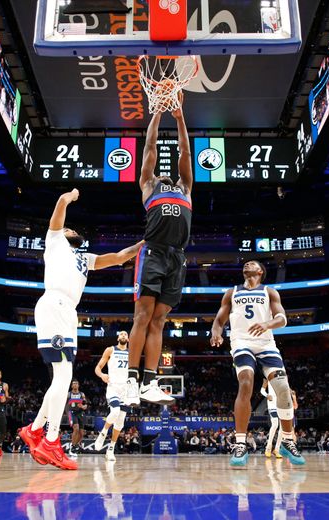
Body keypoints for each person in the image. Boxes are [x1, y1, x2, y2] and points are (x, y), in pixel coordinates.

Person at [17, 188, 143, 470]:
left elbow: (119, 257)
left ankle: (35, 430)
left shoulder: (84, 258)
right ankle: (50, 441)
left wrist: (145, 242)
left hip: (66, 310)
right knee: (64, 375)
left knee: (61, 377)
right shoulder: (54, 241)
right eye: (69, 228)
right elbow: (60, 204)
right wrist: (70, 196)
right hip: (56, 302)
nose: (72, 229)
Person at [126, 93, 193, 407]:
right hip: (152, 253)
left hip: (176, 258)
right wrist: (157, 113)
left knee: (159, 321)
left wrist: (179, 118)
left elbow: (186, 152)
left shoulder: (185, 187)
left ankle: (149, 381)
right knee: (142, 316)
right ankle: (130, 380)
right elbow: (150, 147)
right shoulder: (148, 185)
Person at [210, 260, 305, 467]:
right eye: (245, 263)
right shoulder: (231, 292)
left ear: (260, 271)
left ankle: (288, 441)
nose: (247, 264)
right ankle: (241, 443)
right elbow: (218, 321)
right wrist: (216, 334)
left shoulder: (269, 292)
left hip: (266, 344)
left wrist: (266, 323)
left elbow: (282, 319)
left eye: (252, 263)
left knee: (283, 387)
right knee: (246, 383)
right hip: (241, 342)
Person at [94, 331, 131, 461]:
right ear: (117, 338)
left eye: (125, 335)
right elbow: (98, 368)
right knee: (115, 412)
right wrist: (102, 375)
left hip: (126, 390)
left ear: (128, 339)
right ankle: (103, 433)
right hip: (113, 386)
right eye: (121, 334)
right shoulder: (110, 350)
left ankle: (110, 449)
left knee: (120, 423)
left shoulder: (132, 353)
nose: (123, 336)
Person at [260, 378, 282, 459]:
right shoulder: (268, 378)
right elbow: (262, 390)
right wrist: (267, 395)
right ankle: (268, 448)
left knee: (283, 428)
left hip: (281, 404)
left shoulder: (281, 379)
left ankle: (277, 450)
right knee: (275, 424)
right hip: (272, 405)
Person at [66, 380, 88, 457]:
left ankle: (76, 445)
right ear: (72, 386)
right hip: (71, 412)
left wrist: (82, 406)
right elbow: (66, 405)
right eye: (73, 384)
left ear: (78, 385)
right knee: (76, 428)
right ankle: (72, 446)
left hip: (80, 413)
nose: (75, 385)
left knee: (81, 433)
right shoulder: (68, 394)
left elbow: (85, 406)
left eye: (76, 384)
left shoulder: (82, 394)